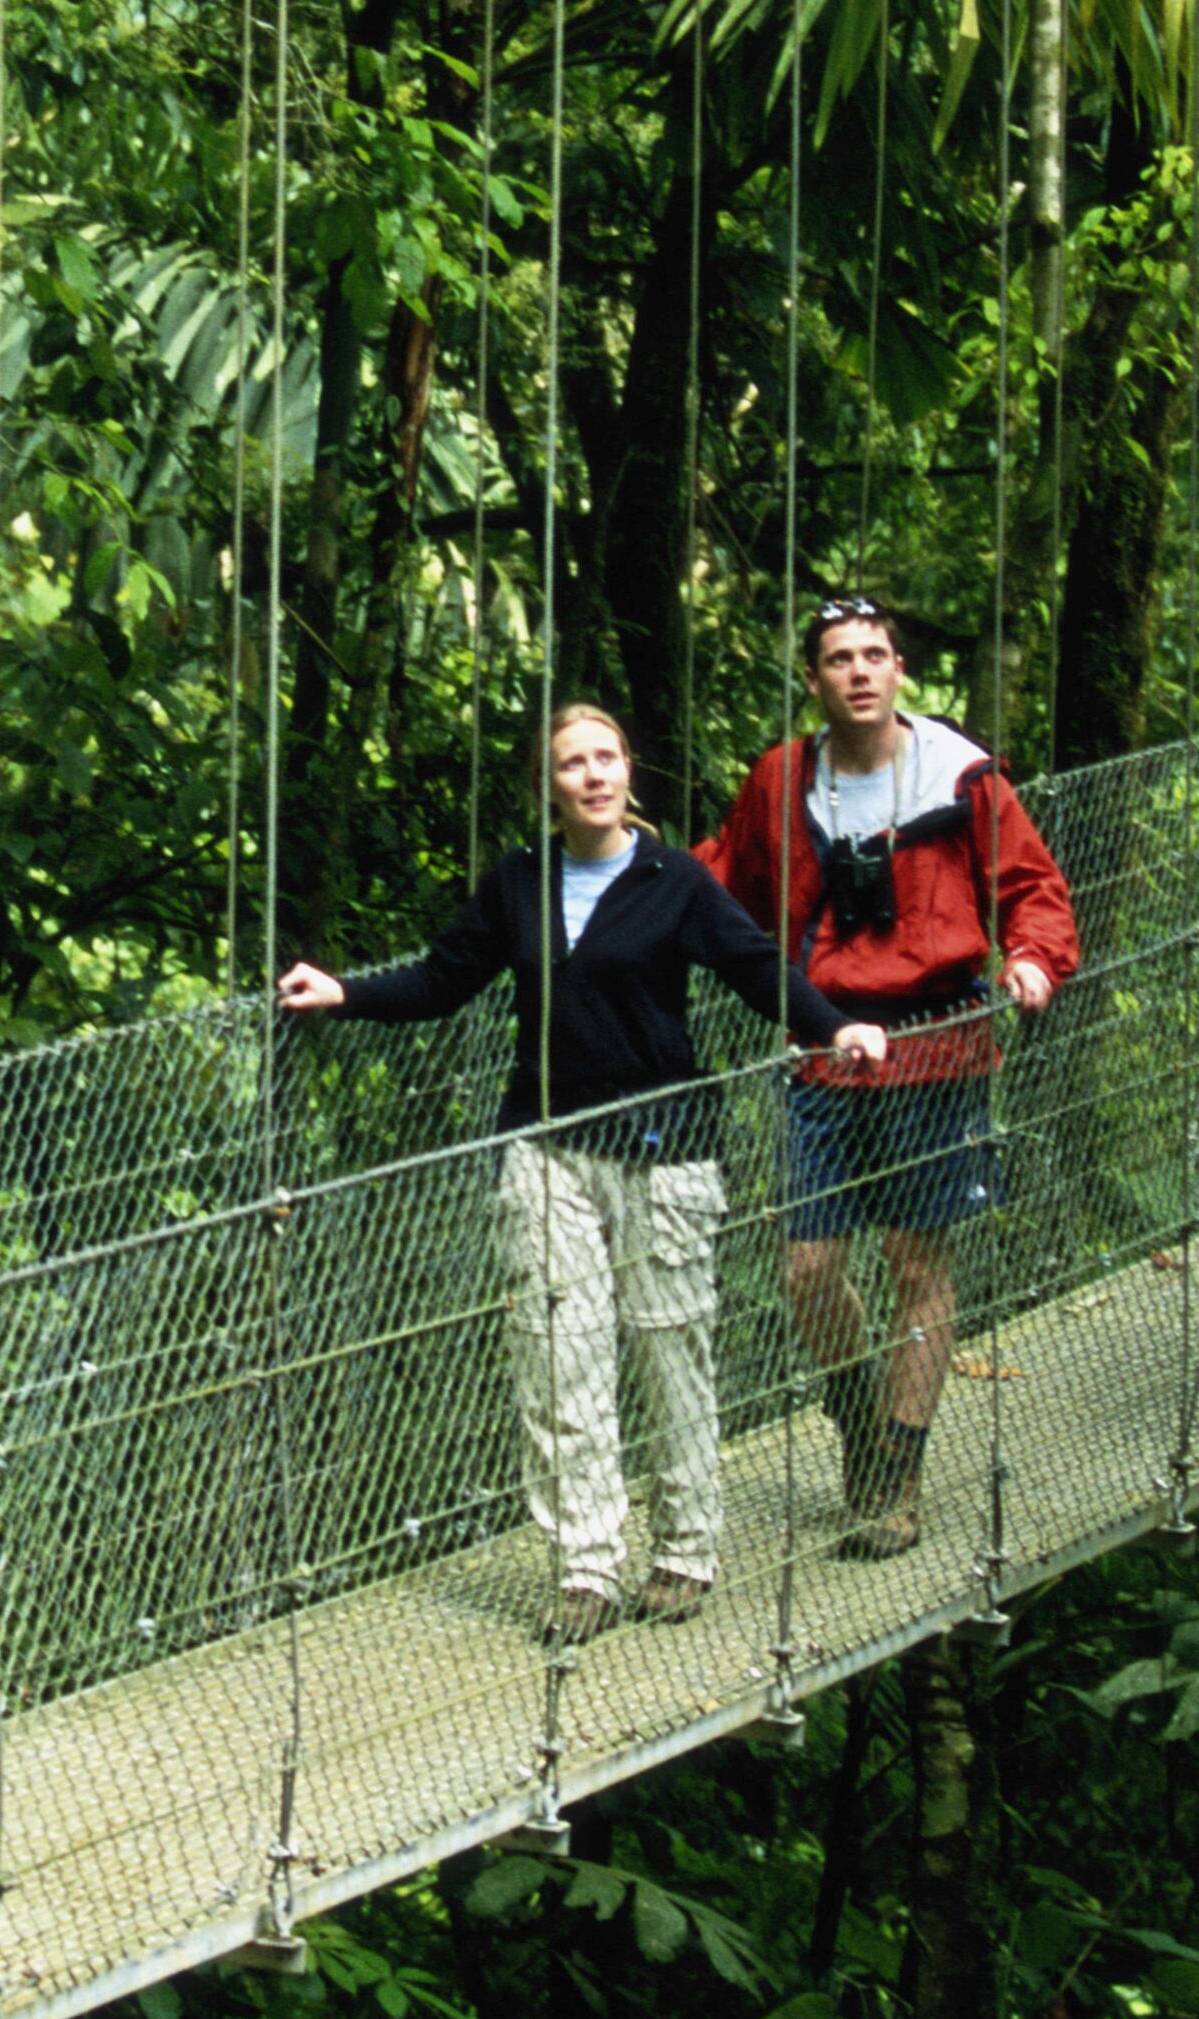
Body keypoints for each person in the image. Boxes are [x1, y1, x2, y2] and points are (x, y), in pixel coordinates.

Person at [279, 703, 888, 1644]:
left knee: (666, 1345)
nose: (594, 775)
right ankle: (586, 1569)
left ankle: (686, 1549)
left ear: (629, 771)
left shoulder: (673, 879)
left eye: (607, 757)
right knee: (560, 1359)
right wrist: (345, 992)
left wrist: (832, 1026)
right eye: (573, 763)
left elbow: (754, 966)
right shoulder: (518, 883)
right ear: (549, 784)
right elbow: (445, 981)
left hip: (663, 1147)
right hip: (547, 1144)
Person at [698, 597, 1082, 1559]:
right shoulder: (784, 783)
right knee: (808, 1267)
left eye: (874, 654)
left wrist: (1033, 957)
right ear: (815, 680)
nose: (859, 671)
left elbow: (1033, 888)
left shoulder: (960, 778)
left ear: (901, 669)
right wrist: (622, 886)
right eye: (838, 658)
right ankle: (861, 1422)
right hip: (826, 1048)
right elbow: (718, 881)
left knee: (917, 1265)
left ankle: (895, 1477)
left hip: (939, 1043)